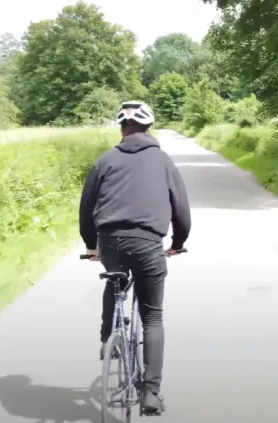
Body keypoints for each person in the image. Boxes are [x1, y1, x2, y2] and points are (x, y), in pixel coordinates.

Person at [78, 100, 191, 415]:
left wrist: (91, 245)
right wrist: (178, 243)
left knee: (115, 278)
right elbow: (181, 211)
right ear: (149, 127)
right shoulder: (163, 160)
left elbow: (86, 209)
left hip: (109, 241)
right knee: (152, 316)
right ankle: (151, 393)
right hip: (147, 243)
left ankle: (106, 337)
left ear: (122, 128)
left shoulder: (104, 161)